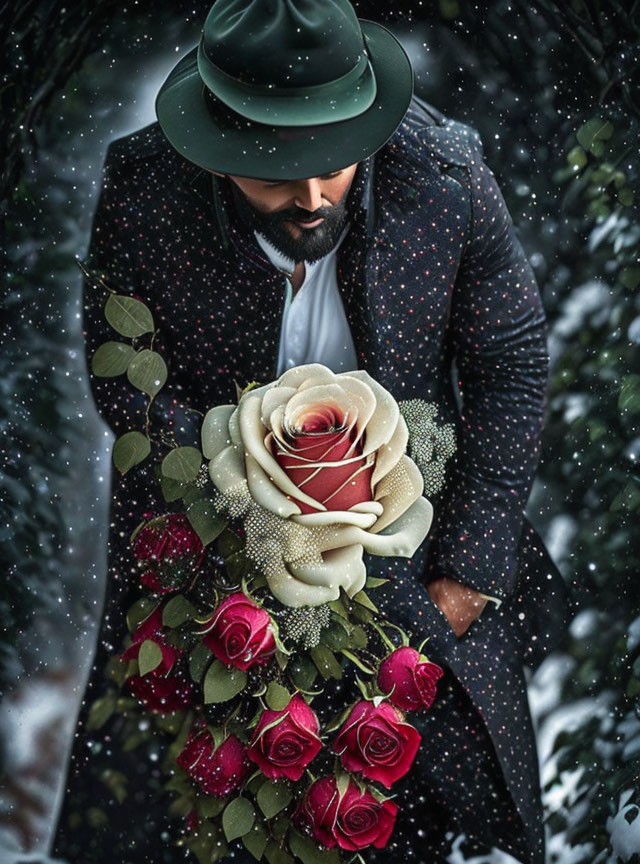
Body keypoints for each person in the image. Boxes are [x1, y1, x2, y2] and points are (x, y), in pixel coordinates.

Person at [50, 1, 570, 862]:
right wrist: (250, 497)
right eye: (277, 169)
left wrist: (469, 577)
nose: (314, 194)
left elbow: (508, 364)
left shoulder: (445, 176)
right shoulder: (144, 188)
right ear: (218, 143)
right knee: (192, 815)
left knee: (405, 816)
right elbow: (125, 380)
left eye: (335, 163)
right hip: (205, 557)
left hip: (413, 561)